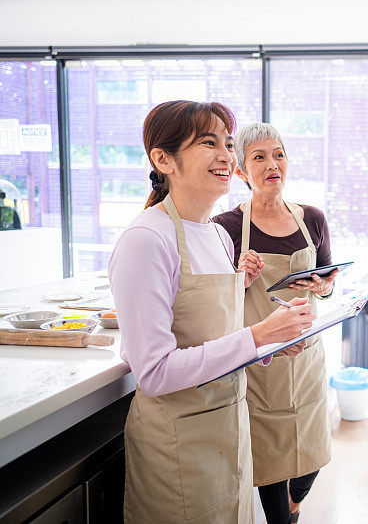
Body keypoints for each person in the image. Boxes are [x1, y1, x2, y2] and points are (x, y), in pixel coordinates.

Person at [109, 101, 312, 523]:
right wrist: (257, 337)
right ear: (163, 159)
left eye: (227, 143)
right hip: (177, 445)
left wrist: (270, 342)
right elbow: (155, 372)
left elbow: (221, 337)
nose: (226, 155)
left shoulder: (219, 237)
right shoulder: (146, 239)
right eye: (208, 143)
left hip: (229, 434)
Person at [214, 122, 336, 524]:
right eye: (259, 157)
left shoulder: (312, 219)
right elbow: (215, 304)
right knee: (269, 462)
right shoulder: (227, 227)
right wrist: (239, 277)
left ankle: (295, 502)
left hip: (306, 360)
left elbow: (326, 282)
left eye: (279, 154)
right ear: (241, 171)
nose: (272, 164)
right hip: (261, 364)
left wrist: (323, 286)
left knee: (311, 457)